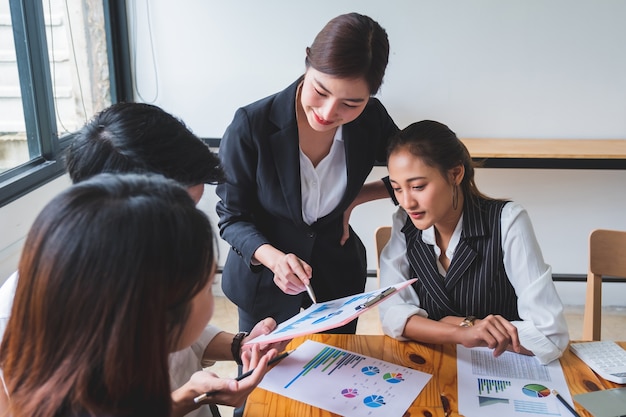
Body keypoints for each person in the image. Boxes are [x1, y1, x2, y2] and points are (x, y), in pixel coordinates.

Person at [0, 102, 288, 417]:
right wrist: (184, 399)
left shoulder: (140, 275)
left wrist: (238, 345)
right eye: (205, 288)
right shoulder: (19, 325)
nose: (182, 233)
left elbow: (182, 333)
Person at [216, 12, 399, 336]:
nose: (329, 113)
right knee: (262, 379)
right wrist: (273, 258)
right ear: (307, 64)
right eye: (321, 90)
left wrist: (356, 198)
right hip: (263, 281)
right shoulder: (251, 125)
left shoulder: (371, 121)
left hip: (338, 276)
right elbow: (232, 218)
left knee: (339, 373)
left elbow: (418, 171)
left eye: (351, 103)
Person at [378, 120, 569, 365]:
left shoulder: (507, 220)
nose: (407, 202)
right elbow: (392, 316)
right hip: (432, 364)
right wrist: (463, 331)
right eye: (397, 189)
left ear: (455, 173)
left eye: (417, 186)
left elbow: (550, 336)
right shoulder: (404, 224)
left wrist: (437, 324)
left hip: (501, 369)